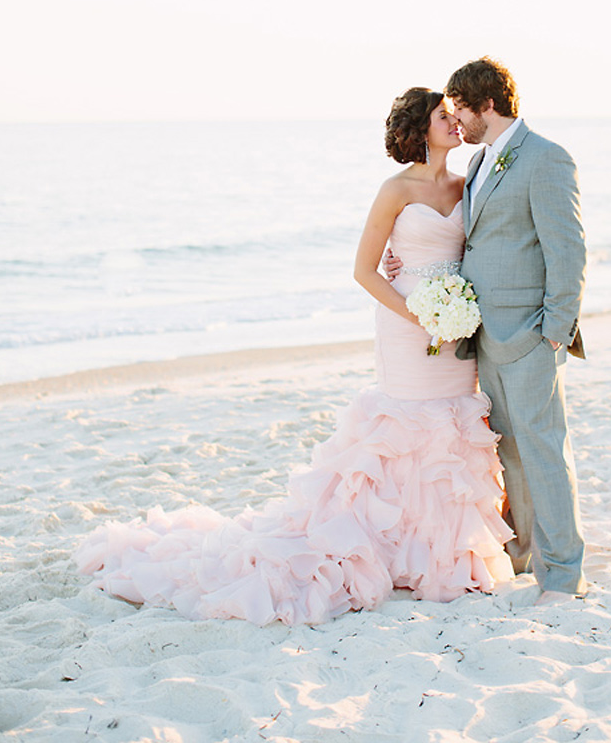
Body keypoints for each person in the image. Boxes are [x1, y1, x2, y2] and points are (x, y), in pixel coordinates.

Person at [76, 88, 514, 626]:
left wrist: (458, 309)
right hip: (409, 327)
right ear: (421, 131)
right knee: (404, 429)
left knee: (450, 430)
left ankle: (430, 552)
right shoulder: (395, 189)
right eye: (443, 116)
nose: (454, 122)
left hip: (458, 327)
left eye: (454, 114)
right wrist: (418, 314)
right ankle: (382, 545)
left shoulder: (467, 181)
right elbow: (364, 270)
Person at [386, 58, 587, 602]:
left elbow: (567, 250)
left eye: (460, 111)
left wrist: (554, 329)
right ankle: (524, 557)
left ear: (486, 106)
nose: (456, 122)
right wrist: (404, 261)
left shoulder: (545, 158)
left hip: (530, 335)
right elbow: (469, 240)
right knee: (511, 454)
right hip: (483, 337)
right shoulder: (480, 163)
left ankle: (565, 573)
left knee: (544, 450)